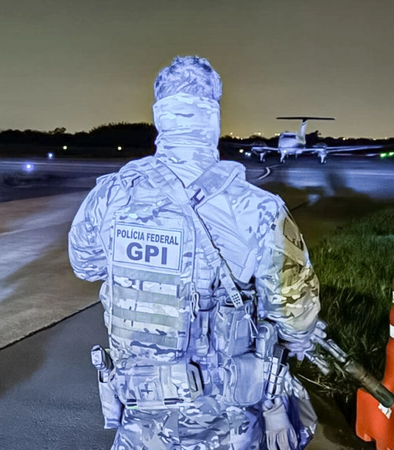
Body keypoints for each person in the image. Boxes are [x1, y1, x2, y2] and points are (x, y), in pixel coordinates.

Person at [68, 56, 320, 449]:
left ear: (160, 116)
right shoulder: (257, 207)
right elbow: (295, 316)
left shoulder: (111, 197)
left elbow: (85, 264)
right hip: (229, 423)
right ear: (213, 119)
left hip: (142, 417)